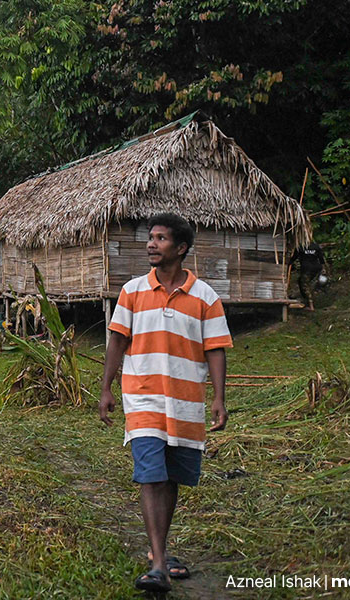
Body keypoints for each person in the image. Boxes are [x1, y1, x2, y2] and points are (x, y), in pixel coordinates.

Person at [99, 213, 232, 593]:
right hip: (142, 397)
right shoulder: (133, 291)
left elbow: (216, 349)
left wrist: (219, 398)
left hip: (187, 401)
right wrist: (107, 388)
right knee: (150, 473)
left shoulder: (205, 296)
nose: (151, 244)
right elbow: (117, 342)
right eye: (150, 238)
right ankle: (157, 563)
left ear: (181, 248)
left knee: (171, 477)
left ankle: (160, 550)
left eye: (160, 238)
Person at [288, 242, 326, 310]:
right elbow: (321, 258)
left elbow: (294, 257)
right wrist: (323, 268)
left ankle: (311, 306)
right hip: (316, 268)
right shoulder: (315, 246)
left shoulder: (301, 247)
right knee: (301, 281)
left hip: (306, 269)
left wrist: (289, 263)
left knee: (305, 285)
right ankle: (307, 300)